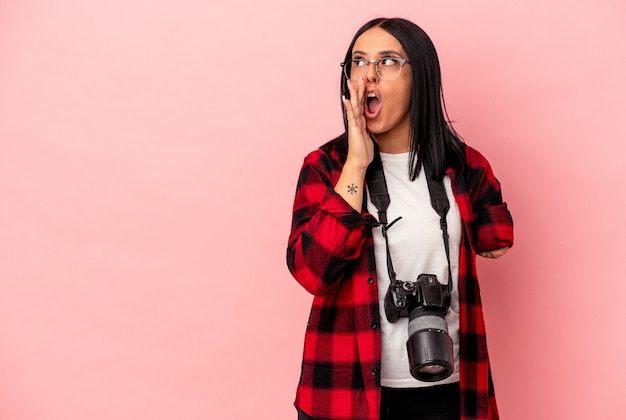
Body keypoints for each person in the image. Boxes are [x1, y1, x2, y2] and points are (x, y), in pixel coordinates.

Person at [286, 17, 513, 420]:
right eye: (358, 61)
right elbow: (312, 274)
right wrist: (357, 162)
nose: (369, 73)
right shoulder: (325, 167)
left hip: (449, 390)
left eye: (388, 61)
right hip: (344, 392)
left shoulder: (465, 167)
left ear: (420, 77)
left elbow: (497, 240)